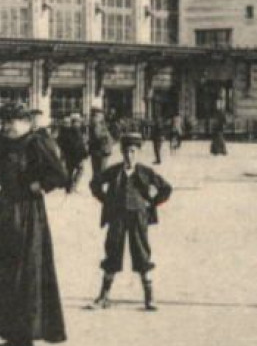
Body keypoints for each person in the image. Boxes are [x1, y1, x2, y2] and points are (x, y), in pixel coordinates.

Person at [0, 102, 69, 346]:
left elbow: (60, 174)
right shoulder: (4, 143)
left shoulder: (36, 142)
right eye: (5, 122)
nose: (7, 126)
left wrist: (39, 185)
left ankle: (27, 334)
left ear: (27, 123)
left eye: (13, 122)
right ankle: (9, 332)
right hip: (4, 209)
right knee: (3, 268)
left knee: (25, 269)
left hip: (27, 213)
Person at [89, 131, 173, 311]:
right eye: (126, 151)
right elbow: (94, 184)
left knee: (142, 253)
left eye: (133, 151)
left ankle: (149, 298)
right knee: (112, 251)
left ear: (138, 152)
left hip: (137, 217)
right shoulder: (114, 171)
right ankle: (103, 297)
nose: (129, 155)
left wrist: (151, 203)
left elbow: (166, 188)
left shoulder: (145, 172)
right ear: (121, 152)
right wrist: (106, 199)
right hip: (117, 216)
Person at [85, 105, 113, 191]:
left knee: (98, 171)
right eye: (101, 114)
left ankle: (97, 187)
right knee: (100, 171)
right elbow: (97, 136)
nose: (102, 115)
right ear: (97, 115)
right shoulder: (96, 123)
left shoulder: (97, 123)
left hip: (99, 150)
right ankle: (98, 188)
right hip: (100, 151)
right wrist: (107, 136)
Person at [55, 115, 87, 192]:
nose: (79, 124)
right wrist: (84, 154)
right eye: (78, 122)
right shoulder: (76, 131)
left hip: (69, 155)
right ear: (75, 122)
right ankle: (73, 186)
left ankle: (68, 187)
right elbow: (79, 145)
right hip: (76, 156)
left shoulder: (67, 131)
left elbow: (60, 142)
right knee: (80, 169)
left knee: (70, 171)